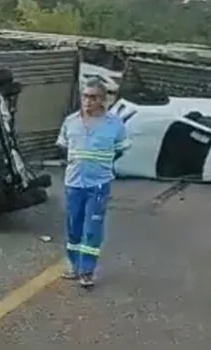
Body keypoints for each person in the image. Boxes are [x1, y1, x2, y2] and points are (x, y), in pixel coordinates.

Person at [56, 79, 130, 288]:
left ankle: (87, 270)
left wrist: (102, 164)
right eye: (85, 96)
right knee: (73, 227)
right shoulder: (70, 121)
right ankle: (74, 265)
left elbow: (121, 148)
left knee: (92, 228)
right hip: (74, 184)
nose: (88, 101)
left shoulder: (114, 124)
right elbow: (63, 146)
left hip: (98, 185)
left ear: (103, 100)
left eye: (94, 97)